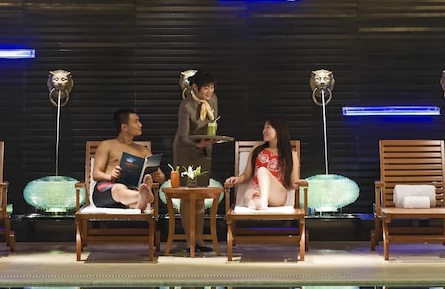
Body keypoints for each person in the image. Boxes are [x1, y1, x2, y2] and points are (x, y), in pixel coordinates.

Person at [173, 71, 219, 250]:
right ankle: (189, 240)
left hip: (204, 151)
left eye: (212, 87)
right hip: (186, 153)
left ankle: (199, 239)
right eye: (206, 87)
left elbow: (213, 124)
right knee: (188, 198)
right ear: (194, 87)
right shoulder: (186, 105)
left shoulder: (213, 100)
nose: (210, 91)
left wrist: (210, 140)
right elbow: (183, 137)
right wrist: (199, 144)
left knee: (200, 197)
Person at [92, 109, 165, 210]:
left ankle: (140, 199)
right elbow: (96, 174)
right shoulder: (107, 145)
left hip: (130, 191)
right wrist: (110, 176)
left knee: (133, 202)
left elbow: (162, 177)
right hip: (106, 189)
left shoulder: (144, 151)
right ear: (124, 127)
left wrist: (158, 176)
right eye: (136, 122)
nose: (140, 125)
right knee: (119, 188)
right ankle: (144, 195)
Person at [224, 117, 300, 210]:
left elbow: (293, 183)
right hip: (255, 189)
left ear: (279, 129)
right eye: (264, 128)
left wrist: (299, 182)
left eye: (268, 127)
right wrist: (236, 179)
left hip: (277, 193)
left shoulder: (291, 154)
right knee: (250, 196)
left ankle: (263, 201)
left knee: (262, 171)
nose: (264, 131)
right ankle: (259, 203)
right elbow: (246, 176)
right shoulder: (257, 150)